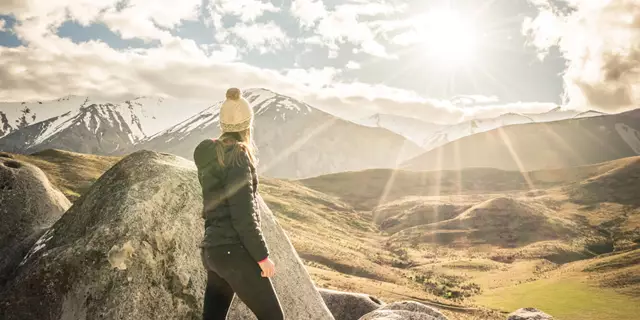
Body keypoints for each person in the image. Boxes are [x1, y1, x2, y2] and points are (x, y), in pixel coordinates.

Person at [193, 88, 285, 320]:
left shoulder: (209, 153)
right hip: (233, 250)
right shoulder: (238, 157)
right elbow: (243, 215)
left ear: (223, 125)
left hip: (213, 251)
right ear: (248, 126)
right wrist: (263, 257)